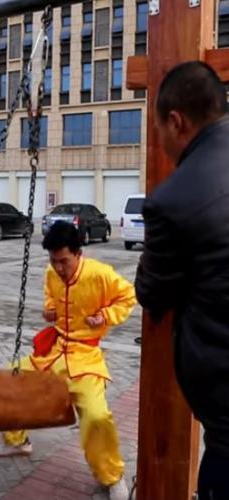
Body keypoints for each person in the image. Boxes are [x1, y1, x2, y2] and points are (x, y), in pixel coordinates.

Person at [134, 61, 229, 500]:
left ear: (176, 121)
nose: (163, 145)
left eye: (160, 132)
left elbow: (153, 292)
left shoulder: (174, 200)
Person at [0, 221, 136, 500]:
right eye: (53, 261)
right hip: (53, 351)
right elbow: (50, 297)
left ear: (78, 253)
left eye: (64, 261)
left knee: (96, 416)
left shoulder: (100, 275)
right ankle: (17, 440)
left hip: (86, 358)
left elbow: (127, 297)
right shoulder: (51, 272)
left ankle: (111, 476)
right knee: (6, 380)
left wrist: (105, 316)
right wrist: (49, 310)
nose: (58, 268)